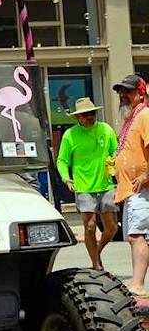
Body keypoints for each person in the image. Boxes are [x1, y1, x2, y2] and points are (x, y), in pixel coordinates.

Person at [56, 97, 118, 269]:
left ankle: (96, 251)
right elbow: (62, 161)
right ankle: (96, 264)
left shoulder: (106, 130)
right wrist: (66, 179)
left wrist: (115, 162)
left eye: (92, 113)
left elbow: (116, 152)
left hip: (106, 185)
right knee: (90, 226)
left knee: (112, 228)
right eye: (85, 115)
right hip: (83, 187)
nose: (89, 117)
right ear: (77, 118)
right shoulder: (70, 135)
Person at [114, 74, 149, 296]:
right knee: (134, 236)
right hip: (131, 190)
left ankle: (137, 284)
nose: (122, 95)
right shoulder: (133, 118)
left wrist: (146, 175)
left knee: (138, 235)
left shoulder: (145, 115)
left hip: (141, 189)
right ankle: (137, 282)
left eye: (127, 91)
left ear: (141, 93)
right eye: (120, 91)